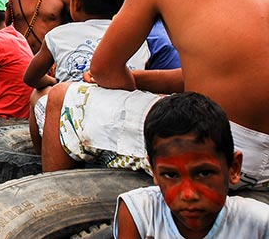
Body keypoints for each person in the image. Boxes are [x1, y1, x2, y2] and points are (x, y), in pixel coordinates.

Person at [41, 0, 269, 192]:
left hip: (223, 148)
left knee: (61, 98)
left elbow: (104, 70)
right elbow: (210, 74)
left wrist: (126, 83)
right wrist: (142, 80)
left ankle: (49, 205)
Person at [23, 0, 150, 153]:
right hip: (121, 121)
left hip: (73, 124)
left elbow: (30, 77)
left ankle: (41, 156)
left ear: (76, 1)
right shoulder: (137, 38)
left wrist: (54, 83)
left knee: (38, 94)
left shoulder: (58, 35)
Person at [114, 92, 269, 238]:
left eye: (204, 173)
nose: (188, 195)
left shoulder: (259, 224)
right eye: (171, 175)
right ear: (154, 171)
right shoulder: (140, 213)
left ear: (233, 168)